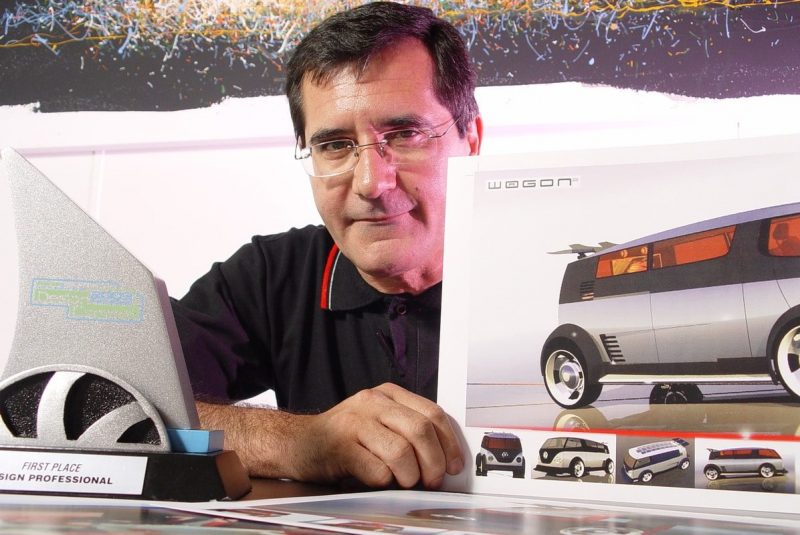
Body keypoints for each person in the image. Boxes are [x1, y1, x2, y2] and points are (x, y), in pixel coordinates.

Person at [171, 1, 483, 490]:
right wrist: (300, 442)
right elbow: (116, 401)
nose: (371, 182)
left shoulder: (555, 276)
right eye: (335, 145)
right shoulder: (271, 276)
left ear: (472, 140)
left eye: (405, 134)